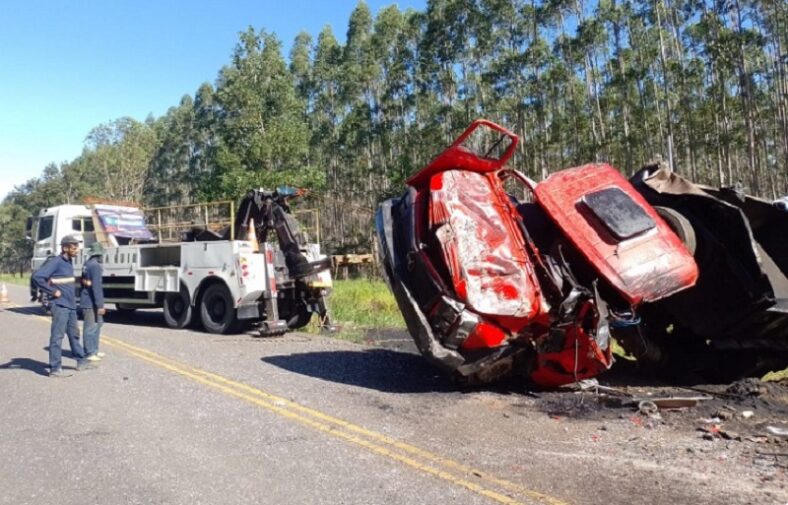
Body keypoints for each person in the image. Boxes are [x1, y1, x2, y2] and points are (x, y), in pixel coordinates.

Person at [31, 235, 93, 377]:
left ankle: (81, 361)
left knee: (74, 334)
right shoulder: (56, 262)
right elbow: (37, 277)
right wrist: (53, 291)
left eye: (77, 247)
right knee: (57, 337)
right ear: (65, 248)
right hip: (60, 305)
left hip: (70, 305)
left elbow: (65, 281)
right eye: (74, 247)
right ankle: (55, 368)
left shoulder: (68, 262)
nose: (77, 250)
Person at [80, 242, 106, 361]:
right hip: (90, 301)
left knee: (96, 325)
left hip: (86, 297)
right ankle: (90, 352)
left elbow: (84, 282)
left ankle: (94, 350)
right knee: (91, 327)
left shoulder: (87, 263)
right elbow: (96, 286)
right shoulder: (95, 266)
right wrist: (100, 305)